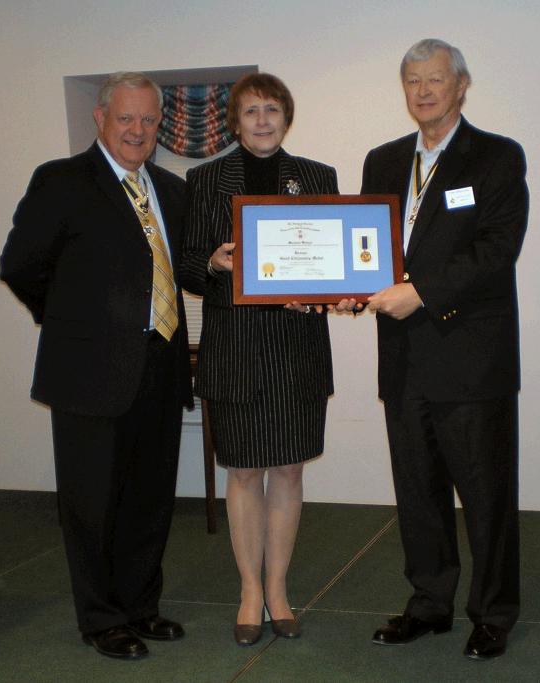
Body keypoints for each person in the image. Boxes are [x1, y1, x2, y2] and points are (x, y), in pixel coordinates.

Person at [0, 72, 193, 661]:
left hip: (160, 368)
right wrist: (70, 325)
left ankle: (140, 605)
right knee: (91, 504)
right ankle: (101, 618)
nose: (137, 130)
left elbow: (181, 270)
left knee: (150, 498)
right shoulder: (60, 181)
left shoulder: (171, 188)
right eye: (126, 118)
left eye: (149, 120)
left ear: (161, 125)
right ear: (100, 118)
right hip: (88, 373)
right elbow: (21, 265)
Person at [358, 39, 528, 659]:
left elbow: (495, 250)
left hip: (470, 356)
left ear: (461, 86)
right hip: (402, 357)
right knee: (418, 492)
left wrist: (421, 293)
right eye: (412, 81)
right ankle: (429, 604)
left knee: (485, 496)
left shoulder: (496, 157)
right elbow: (367, 251)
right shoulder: (382, 161)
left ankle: (492, 613)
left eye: (434, 79)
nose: (423, 91)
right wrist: (344, 289)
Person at [180, 73, 337, 646]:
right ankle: (250, 590)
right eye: (251, 111)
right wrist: (215, 264)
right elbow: (186, 265)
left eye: (272, 109)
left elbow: (330, 261)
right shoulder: (204, 179)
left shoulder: (318, 177)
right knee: (244, 471)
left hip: (296, 349)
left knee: (289, 469)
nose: (263, 120)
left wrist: (332, 286)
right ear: (235, 121)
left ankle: (279, 590)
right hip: (236, 349)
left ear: (286, 116)